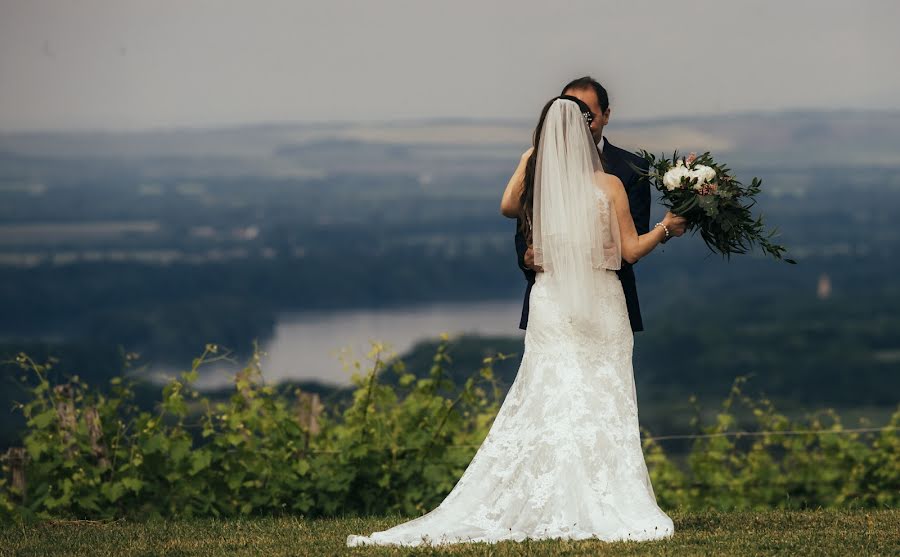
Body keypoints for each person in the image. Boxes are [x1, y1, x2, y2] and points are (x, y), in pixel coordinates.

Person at [347, 95, 681, 547]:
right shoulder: (608, 186)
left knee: (547, 392)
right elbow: (630, 251)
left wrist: (530, 156)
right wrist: (667, 226)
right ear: (587, 131)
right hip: (602, 300)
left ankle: (552, 496)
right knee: (603, 393)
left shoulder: (539, 185)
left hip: (551, 301)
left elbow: (507, 204)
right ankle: (599, 496)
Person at [512, 77, 686, 333]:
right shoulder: (540, 166)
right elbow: (520, 224)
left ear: (606, 115)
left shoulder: (631, 168)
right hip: (550, 301)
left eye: (588, 117)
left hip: (604, 302)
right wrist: (527, 258)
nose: (579, 126)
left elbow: (631, 242)